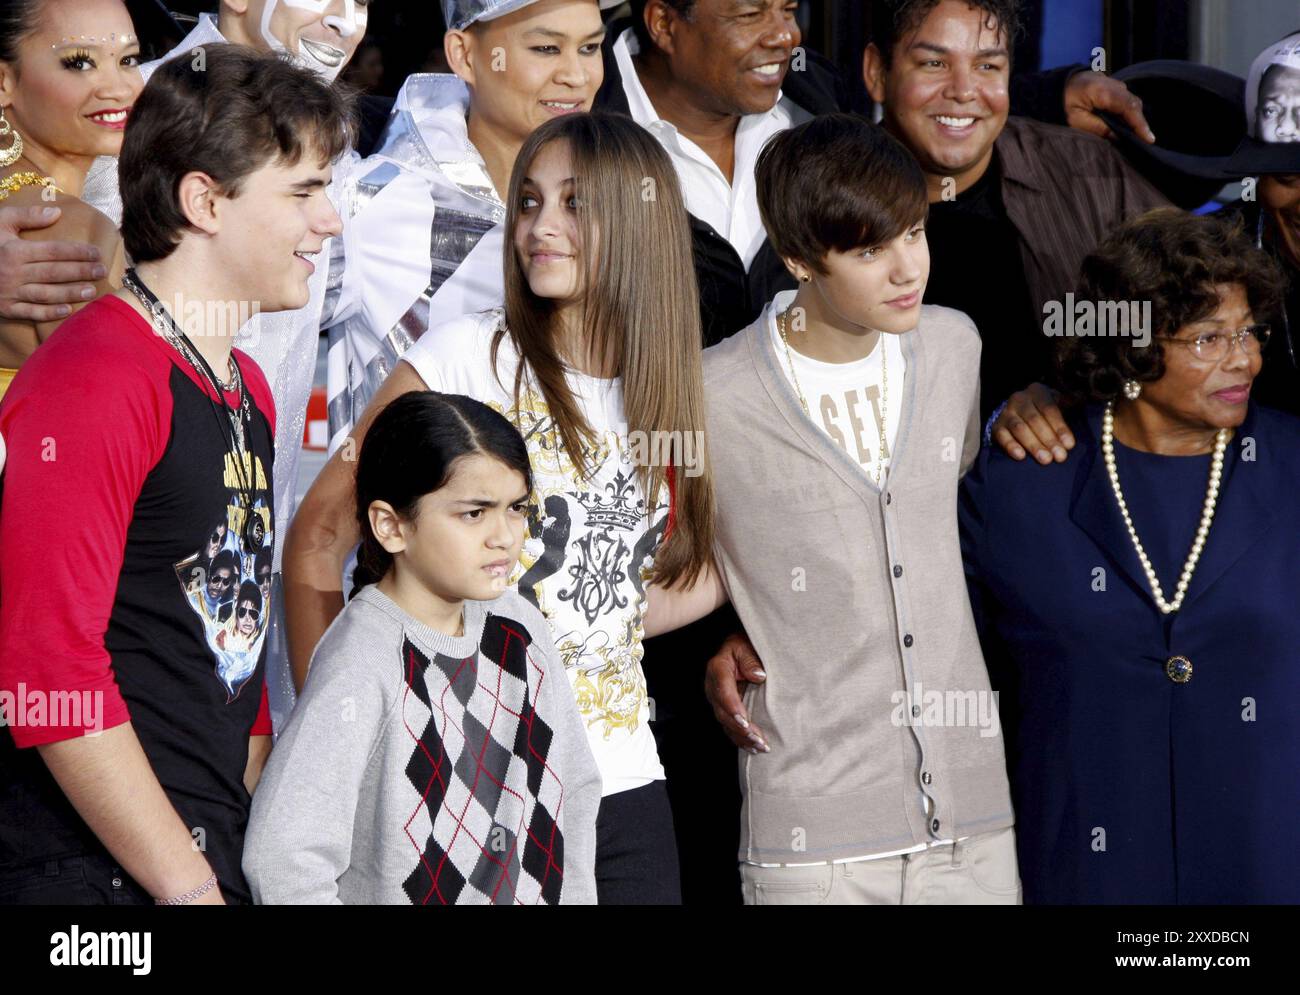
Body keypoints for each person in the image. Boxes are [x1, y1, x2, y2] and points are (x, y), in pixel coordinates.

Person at [288, 112, 714, 904]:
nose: (539, 227)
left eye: (574, 203)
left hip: (626, 783)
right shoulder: (465, 358)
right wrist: (342, 742)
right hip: (477, 779)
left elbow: (625, 592)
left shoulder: (673, 390)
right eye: (528, 202)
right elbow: (318, 539)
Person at [0, 46, 349, 905]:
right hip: (84, 874)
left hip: (201, 853)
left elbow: (234, 641)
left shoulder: (248, 386)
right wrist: (187, 889)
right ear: (205, 202)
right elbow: (44, 674)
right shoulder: (98, 375)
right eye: (302, 192)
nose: (330, 221)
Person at [690, 115, 1017, 903]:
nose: (908, 268)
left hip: (974, 823)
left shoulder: (953, 348)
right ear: (799, 258)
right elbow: (672, 560)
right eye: (869, 251)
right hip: (813, 837)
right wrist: (734, 624)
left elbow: (923, 529)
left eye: (913, 232)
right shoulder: (711, 393)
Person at [960, 209, 1300, 903]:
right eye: (1210, 338)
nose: (1245, 359)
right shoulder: (1017, 487)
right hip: (1087, 871)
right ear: (1132, 348)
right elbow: (918, 634)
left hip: (1268, 866)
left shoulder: (1293, 466)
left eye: (1249, 332)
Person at [244, 391, 602, 904]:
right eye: (474, 513)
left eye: (517, 509)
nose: (504, 536)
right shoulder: (362, 658)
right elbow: (284, 856)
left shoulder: (521, 627)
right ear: (391, 526)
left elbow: (577, 789)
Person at [323, 0, 619, 450]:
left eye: (590, 47)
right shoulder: (369, 203)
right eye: (545, 48)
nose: (576, 76)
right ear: (463, 54)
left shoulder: (624, 206)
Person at [990, 33, 1300, 461]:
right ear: (1259, 176)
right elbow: (1095, 347)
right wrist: (1042, 400)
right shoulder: (1191, 259)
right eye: (1288, 178)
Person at [863, 0, 1170, 420]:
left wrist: (1083, 395)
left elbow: (1191, 305)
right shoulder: (828, 198)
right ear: (877, 73)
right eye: (934, 63)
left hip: (1069, 470)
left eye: (988, 67)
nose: (964, 90)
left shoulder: (1084, 171)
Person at [0, 0, 143, 399]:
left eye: (129, 60)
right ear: (3, 82)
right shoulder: (74, 231)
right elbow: (110, 434)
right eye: (80, 63)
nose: (118, 88)